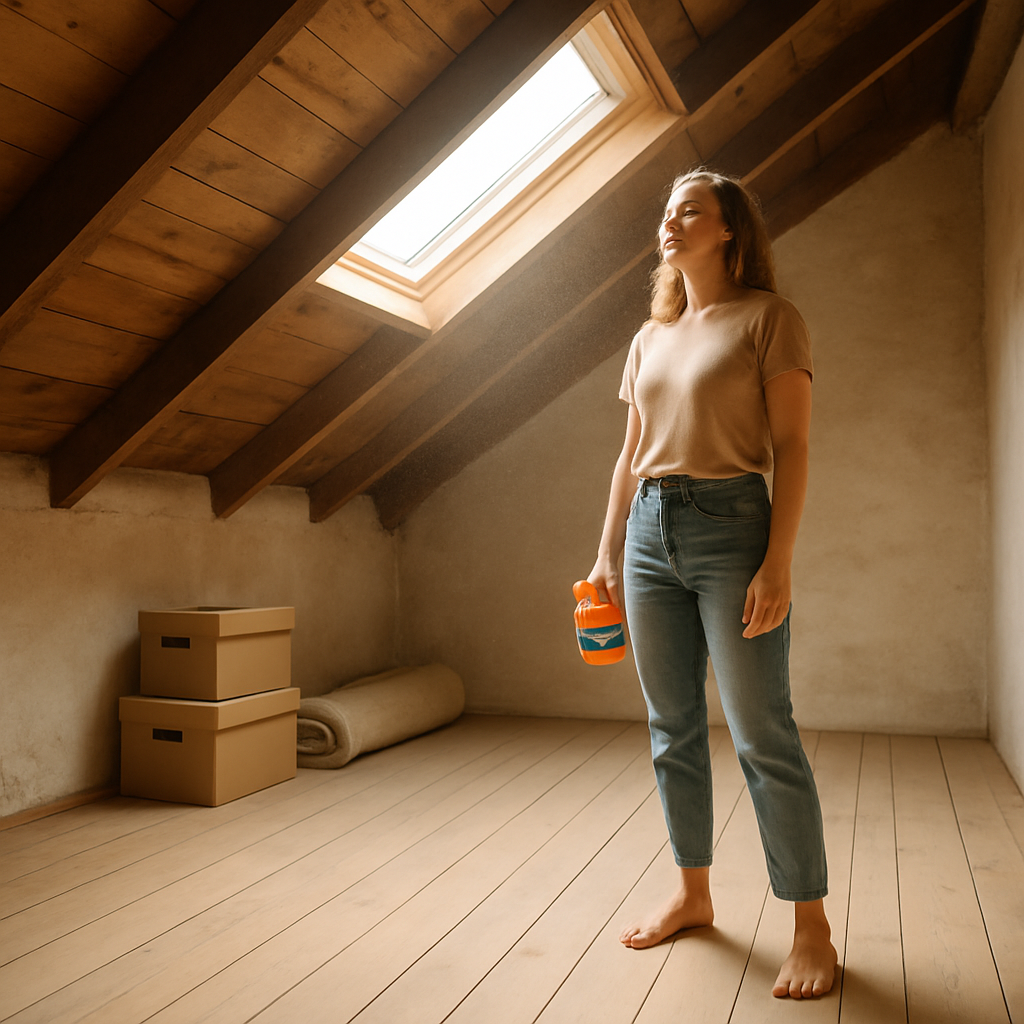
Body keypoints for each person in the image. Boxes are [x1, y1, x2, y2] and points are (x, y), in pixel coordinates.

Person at [586, 168, 837, 999]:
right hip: (650, 534)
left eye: (690, 210)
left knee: (764, 731)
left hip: (734, 527)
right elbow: (630, 455)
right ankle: (693, 895)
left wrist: (779, 560)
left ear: (730, 229)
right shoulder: (649, 336)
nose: (671, 222)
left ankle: (810, 925)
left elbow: (793, 448)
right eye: (666, 211)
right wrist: (604, 555)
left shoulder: (772, 320)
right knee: (672, 727)